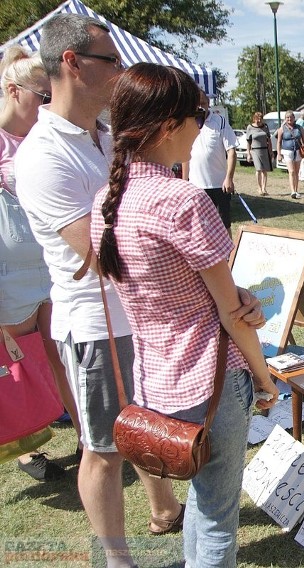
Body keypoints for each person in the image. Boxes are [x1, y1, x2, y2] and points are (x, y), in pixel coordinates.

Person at [14, 14, 264, 566]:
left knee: (162, 442)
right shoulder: (43, 154)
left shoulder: (107, 137)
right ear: (73, 64)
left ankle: (161, 509)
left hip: (154, 325)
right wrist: (218, 290)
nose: (121, 72)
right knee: (105, 449)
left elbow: (138, 236)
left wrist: (214, 279)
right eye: (111, 61)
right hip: (103, 325)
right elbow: (111, 256)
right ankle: (118, 560)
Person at [91, 62, 278, 568]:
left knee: (202, 496)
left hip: (156, 384)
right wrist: (264, 379)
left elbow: (186, 290)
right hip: (214, 383)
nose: (203, 126)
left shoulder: (106, 201)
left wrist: (238, 295)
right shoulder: (183, 202)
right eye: (198, 115)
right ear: (168, 125)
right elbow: (231, 314)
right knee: (218, 513)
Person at [0, 46, 81, 481]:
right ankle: (24, 447)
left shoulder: (41, 138)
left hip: (49, 265)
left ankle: (88, 434)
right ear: (13, 91)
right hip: (9, 276)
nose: (48, 103)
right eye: (41, 95)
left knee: (60, 355)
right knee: (15, 365)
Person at [182, 91, 237, 235]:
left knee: (223, 227)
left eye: (203, 103)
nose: (200, 107)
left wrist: (229, 178)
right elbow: (185, 155)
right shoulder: (188, 123)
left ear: (209, 103)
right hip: (196, 187)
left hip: (219, 185)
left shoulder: (220, 121)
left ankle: (228, 257)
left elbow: (231, 151)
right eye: (197, 104)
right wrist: (183, 182)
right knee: (199, 228)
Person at [275, 110, 304, 199]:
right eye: (287, 117)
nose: (289, 119)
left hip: (297, 151)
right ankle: (292, 191)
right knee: (291, 171)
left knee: (296, 172)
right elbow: (278, 142)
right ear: (285, 119)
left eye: (291, 117)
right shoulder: (282, 129)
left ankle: (296, 190)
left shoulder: (299, 128)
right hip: (287, 151)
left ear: (294, 118)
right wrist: (279, 153)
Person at [245, 111, 273, 196]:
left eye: (260, 119)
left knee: (264, 170)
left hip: (264, 150)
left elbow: (269, 140)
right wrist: (248, 153)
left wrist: (271, 151)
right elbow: (248, 142)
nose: (259, 120)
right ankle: (259, 188)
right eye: (257, 119)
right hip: (255, 150)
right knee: (258, 169)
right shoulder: (250, 127)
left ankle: (264, 188)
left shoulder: (265, 127)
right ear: (254, 119)